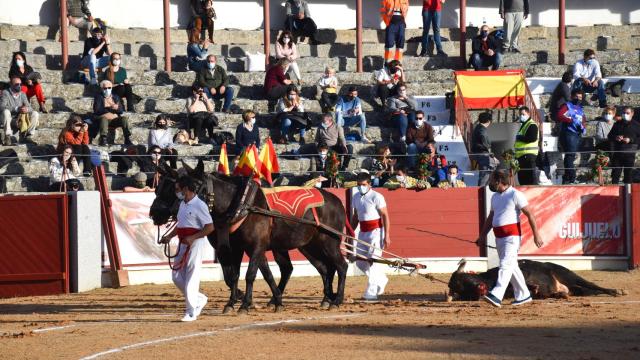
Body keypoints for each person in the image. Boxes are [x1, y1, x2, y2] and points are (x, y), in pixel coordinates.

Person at [478, 169, 543, 308]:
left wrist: (536, 234)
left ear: (499, 180)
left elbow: (530, 214)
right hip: (499, 237)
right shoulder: (495, 197)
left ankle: (497, 293)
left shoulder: (515, 194)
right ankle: (524, 294)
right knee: (511, 266)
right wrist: (483, 235)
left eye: (492, 180)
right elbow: (491, 218)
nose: (490, 183)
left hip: (512, 237)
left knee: (505, 265)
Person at [160, 176, 214, 322]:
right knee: (176, 276)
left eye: (178, 188)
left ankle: (191, 312)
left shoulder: (200, 205)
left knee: (192, 276)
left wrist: (193, 237)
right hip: (183, 242)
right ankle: (199, 298)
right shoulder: (183, 204)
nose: (176, 191)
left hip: (195, 243)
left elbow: (210, 227)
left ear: (186, 188)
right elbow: (180, 225)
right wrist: (169, 236)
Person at [352, 172, 391, 300]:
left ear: (369, 184)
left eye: (363, 185)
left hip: (376, 232)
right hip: (363, 232)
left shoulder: (377, 196)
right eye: (358, 185)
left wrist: (387, 235)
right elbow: (355, 217)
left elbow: (385, 215)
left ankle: (371, 293)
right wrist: (350, 233)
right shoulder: (356, 197)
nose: (360, 187)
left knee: (373, 261)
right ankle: (381, 279)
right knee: (360, 263)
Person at [557, 91, 586, 184]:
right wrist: (570, 120)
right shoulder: (567, 105)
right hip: (568, 132)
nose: (578, 98)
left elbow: (583, 120)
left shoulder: (581, 108)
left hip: (577, 134)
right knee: (570, 155)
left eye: (580, 97)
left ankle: (567, 178)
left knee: (570, 156)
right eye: (576, 96)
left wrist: (583, 127)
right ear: (572, 96)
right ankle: (572, 177)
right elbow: (560, 115)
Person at [1, 76, 40, 145]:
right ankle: (7, 137)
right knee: (6, 111)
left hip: (19, 119)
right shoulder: (5, 93)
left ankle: (28, 136)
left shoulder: (22, 94)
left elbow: (30, 107)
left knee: (35, 113)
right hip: (8, 118)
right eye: (16, 84)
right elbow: (1, 107)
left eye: (20, 84)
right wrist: (16, 108)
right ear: (11, 84)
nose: (19, 86)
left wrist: (26, 109)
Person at [93, 80, 131, 146]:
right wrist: (110, 108)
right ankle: (103, 139)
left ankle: (127, 138)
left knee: (124, 119)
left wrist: (117, 108)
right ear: (102, 88)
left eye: (109, 88)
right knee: (104, 119)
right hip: (103, 120)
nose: (107, 89)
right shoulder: (98, 97)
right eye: (105, 88)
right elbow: (97, 110)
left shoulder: (115, 97)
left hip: (114, 119)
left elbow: (121, 110)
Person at [608, 107, 640, 184]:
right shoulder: (617, 124)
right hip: (618, 152)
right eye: (624, 113)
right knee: (616, 174)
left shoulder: (637, 125)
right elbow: (610, 136)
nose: (625, 115)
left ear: (632, 114)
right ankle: (613, 192)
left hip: (630, 152)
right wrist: (616, 137)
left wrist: (630, 140)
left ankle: (627, 193)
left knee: (628, 174)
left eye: (627, 113)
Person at [514, 106, 538, 185]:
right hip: (522, 156)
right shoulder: (524, 125)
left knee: (530, 179)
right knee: (522, 179)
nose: (521, 116)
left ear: (528, 113)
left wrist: (520, 137)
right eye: (520, 114)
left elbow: (532, 138)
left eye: (523, 114)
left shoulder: (531, 124)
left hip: (528, 156)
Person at [471, 111, 496, 186]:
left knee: (485, 174)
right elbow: (483, 137)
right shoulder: (482, 129)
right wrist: (488, 149)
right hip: (483, 154)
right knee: (485, 175)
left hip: (479, 153)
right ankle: (483, 191)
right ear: (488, 121)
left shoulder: (477, 127)